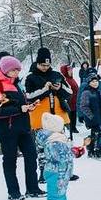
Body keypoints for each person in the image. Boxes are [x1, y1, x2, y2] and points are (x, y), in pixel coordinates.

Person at [0, 55, 44, 200]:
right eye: (13, 70)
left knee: (31, 155)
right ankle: (13, 191)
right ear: (5, 70)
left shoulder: (16, 84)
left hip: (23, 127)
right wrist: (20, 109)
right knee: (10, 159)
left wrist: (29, 107)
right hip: (7, 129)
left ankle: (32, 188)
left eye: (18, 70)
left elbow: (20, 105)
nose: (16, 73)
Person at [25, 48, 72, 182]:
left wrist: (60, 88)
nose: (45, 67)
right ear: (37, 63)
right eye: (42, 65)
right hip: (40, 116)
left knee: (61, 144)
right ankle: (44, 173)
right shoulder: (31, 77)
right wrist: (45, 90)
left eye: (48, 65)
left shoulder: (56, 74)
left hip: (57, 116)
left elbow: (70, 91)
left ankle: (63, 170)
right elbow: (29, 96)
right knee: (42, 147)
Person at [36, 113, 76, 200]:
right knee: (56, 190)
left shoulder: (58, 138)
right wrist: (73, 153)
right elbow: (59, 156)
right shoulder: (53, 141)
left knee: (61, 189)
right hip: (56, 171)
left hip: (61, 170)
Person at [78, 71, 101, 158]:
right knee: (97, 133)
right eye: (93, 81)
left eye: (96, 81)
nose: (95, 83)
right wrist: (91, 116)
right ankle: (98, 149)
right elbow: (83, 106)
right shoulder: (86, 92)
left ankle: (91, 148)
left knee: (98, 133)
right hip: (92, 117)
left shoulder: (100, 91)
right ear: (89, 83)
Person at [59, 64, 79, 137]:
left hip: (74, 100)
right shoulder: (65, 80)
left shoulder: (71, 78)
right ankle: (70, 129)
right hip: (69, 101)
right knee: (70, 115)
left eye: (71, 70)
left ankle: (73, 127)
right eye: (69, 70)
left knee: (74, 115)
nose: (71, 72)